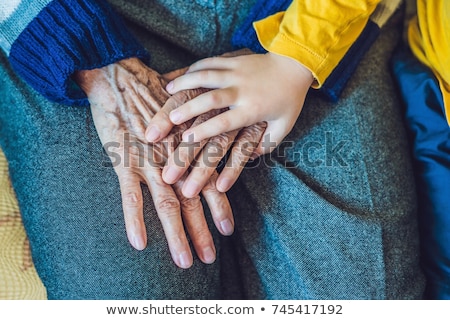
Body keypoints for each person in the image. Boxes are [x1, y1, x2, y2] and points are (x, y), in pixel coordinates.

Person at [0, 0, 425, 299]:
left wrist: (299, 54)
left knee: (368, 298)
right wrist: (78, 43)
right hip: (82, 25)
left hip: (308, 17)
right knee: (131, 297)